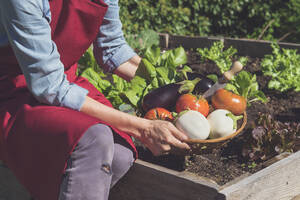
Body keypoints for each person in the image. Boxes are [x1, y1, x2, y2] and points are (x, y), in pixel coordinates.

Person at [0, 0, 190, 199]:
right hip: (12, 91)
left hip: (64, 83)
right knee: (93, 140)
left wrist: (176, 87)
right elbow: (49, 86)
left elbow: (113, 49)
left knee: (121, 154)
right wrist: (143, 127)